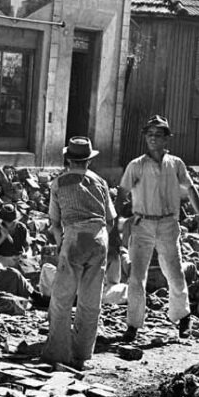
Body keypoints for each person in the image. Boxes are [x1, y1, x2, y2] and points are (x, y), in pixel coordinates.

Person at [119, 115, 199, 340]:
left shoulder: (175, 164)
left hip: (168, 224)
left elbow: (191, 189)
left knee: (175, 273)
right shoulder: (136, 165)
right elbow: (121, 193)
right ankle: (133, 325)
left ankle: (183, 316)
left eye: (158, 135)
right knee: (137, 276)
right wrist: (116, 224)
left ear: (167, 138)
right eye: (149, 134)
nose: (153, 139)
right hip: (143, 224)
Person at [43, 136, 116, 369]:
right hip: (99, 238)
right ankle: (82, 354)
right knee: (90, 300)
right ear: (88, 161)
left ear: (68, 160)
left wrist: (61, 242)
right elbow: (111, 220)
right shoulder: (100, 182)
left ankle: (58, 352)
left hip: (73, 237)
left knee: (62, 298)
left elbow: (54, 222)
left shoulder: (58, 183)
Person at [0, 203, 29, 271]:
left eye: (13, 222)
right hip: (1, 260)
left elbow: (26, 247)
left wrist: (24, 254)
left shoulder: (21, 228)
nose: (11, 224)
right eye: (8, 222)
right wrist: (2, 237)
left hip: (18, 259)